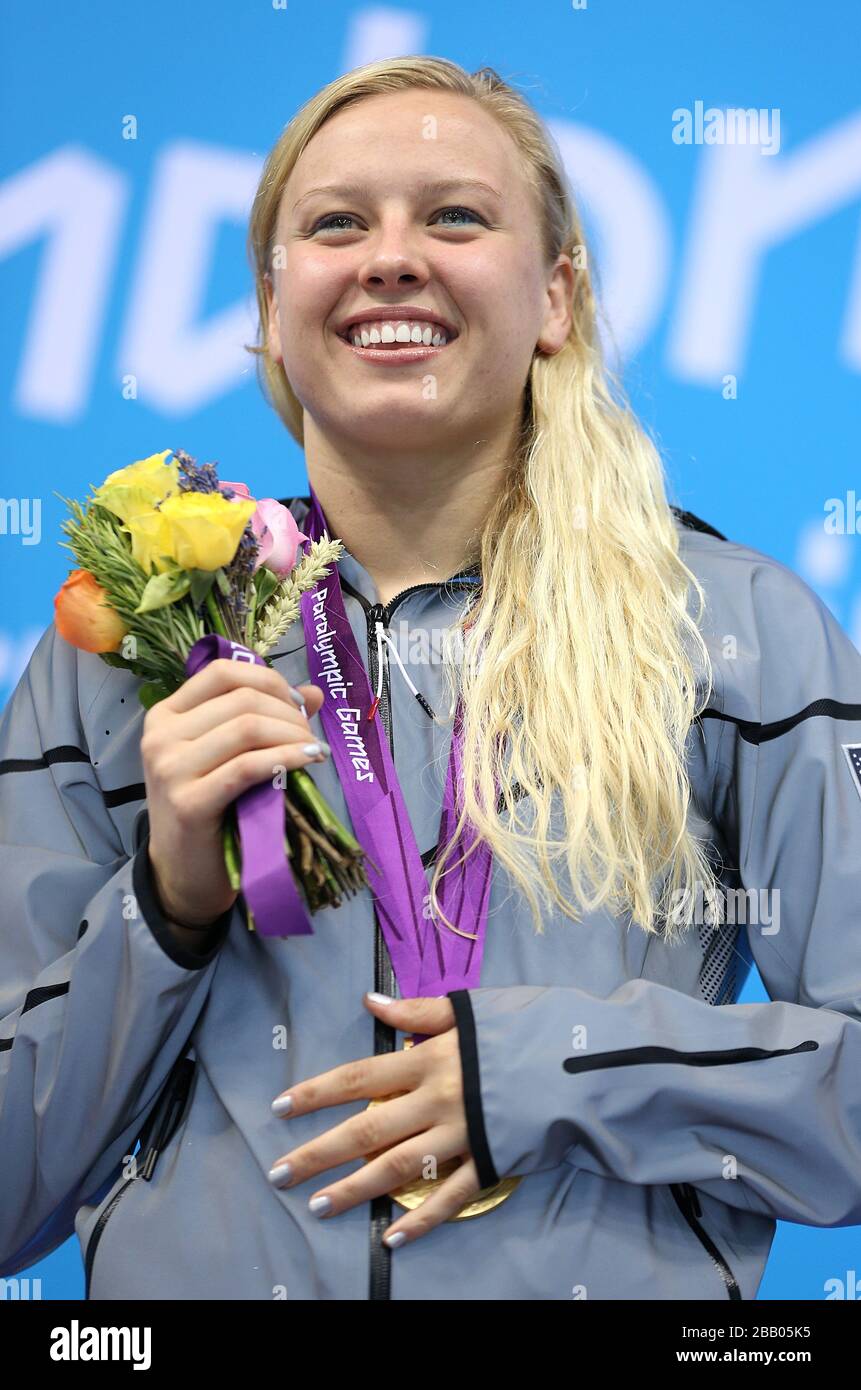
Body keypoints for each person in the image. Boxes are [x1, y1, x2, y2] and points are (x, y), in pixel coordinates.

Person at [1, 55, 860, 1303]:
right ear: (274, 301)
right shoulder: (127, 659)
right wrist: (166, 903)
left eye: (454, 215)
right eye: (336, 223)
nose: (390, 257)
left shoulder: (733, 630)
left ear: (555, 296)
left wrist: (560, 1066)